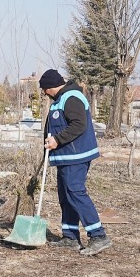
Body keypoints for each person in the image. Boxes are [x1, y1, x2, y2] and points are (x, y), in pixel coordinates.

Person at [39, 69, 112, 256]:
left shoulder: (71, 97)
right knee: (66, 195)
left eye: (44, 89)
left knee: (75, 192)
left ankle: (98, 235)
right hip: (65, 157)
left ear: (50, 87)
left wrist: (57, 140)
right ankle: (70, 236)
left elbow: (79, 124)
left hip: (76, 157)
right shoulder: (59, 100)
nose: (44, 94)